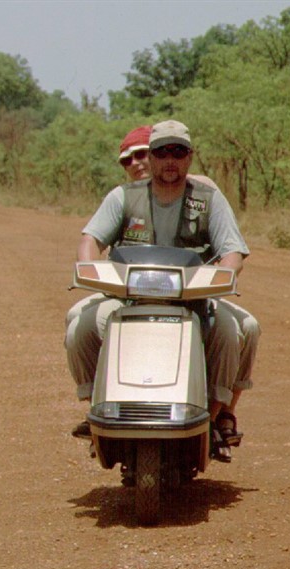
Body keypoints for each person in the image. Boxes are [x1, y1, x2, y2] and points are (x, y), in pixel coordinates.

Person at [64, 120, 260, 462]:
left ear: (190, 157)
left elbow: (233, 251)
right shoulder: (123, 197)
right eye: (161, 152)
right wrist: (91, 269)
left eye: (178, 152)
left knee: (233, 330)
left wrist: (221, 275)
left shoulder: (208, 199)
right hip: (128, 297)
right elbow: (90, 239)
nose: (170, 159)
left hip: (193, 300)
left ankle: (213, 418)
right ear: (151, 158)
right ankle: (98, 411)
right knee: (80, 325)